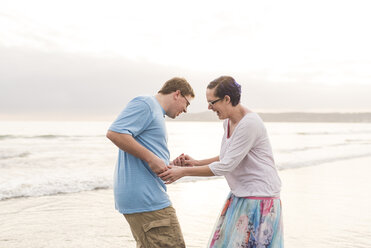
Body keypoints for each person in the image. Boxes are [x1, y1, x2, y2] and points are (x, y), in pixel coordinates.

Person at [160, 76, 284, 248]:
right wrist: (196, 163)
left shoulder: (250, 123)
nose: (209, 107)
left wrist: (183, 172)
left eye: (212, 102)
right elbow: (227, 156)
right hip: (240, 195)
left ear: (227, 99)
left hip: (259, 199)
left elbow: (226, 166)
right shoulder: (227, 122)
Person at [106, 77, 194, 248]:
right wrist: (152, 158)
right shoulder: (146, 104)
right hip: (147, 199)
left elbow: (146, 155)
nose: (185, 110)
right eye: (187, 103)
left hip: (146, 196)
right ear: (177, 94)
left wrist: (169, 164)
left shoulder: (155, 112)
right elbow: (115, 133)